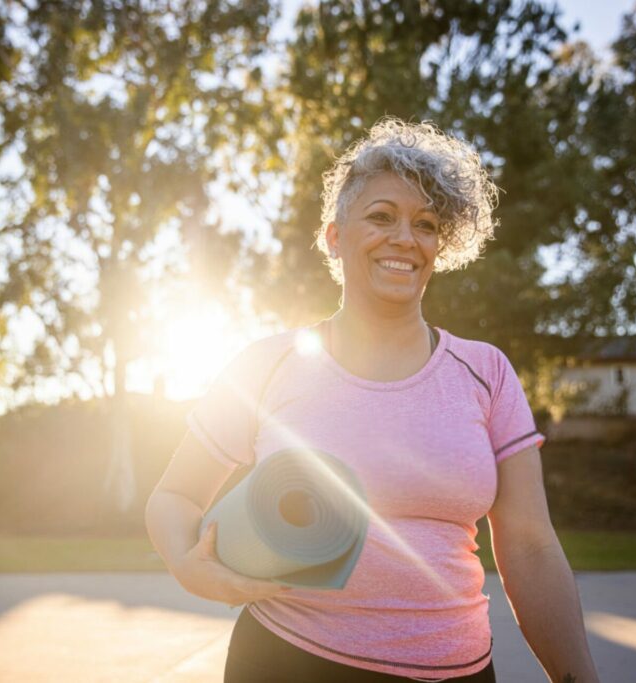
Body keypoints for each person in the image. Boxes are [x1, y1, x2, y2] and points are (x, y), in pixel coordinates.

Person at [145, 118, 600, 683]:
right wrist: (191, 568)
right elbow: (175, 495)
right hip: (289, 661)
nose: (405, 239)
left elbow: (530, 545)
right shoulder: (268, 364)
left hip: (459, 671)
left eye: (426, 224)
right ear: (336, 235)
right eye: (381, 216)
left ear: (443, 244)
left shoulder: (486, 374)